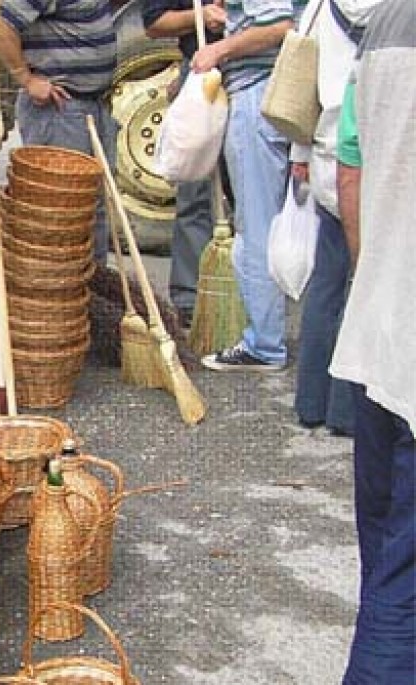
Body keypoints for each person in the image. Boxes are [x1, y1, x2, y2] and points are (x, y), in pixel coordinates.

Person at [331, 0, 415, 679]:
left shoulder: (384, 22)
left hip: (378, 333)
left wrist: (375, 278)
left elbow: (349, 174)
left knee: (387, 572)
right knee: (403, 587)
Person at [290, 0, 382, 436]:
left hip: (327, 152)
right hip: (374, 157)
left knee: (327, 284)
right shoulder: (397, 11)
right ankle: (350, 410)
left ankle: (312, 401)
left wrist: (300, 152)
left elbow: (298, 77)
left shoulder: (322, 7)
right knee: (365, 289)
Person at [195, 0, 299, 371]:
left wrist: (218, 49)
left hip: (259, 94)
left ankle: (265, 344)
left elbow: (278, 26)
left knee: (257, 224)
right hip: (286, 93)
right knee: (298, 222)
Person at [0, 0, 118, 264]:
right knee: (61, 211)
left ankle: (91, 292)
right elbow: (2, 25)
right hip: (59, 110)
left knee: (91, 206)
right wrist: (26, 79)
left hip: (93, 104)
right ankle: (63, 295)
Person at [142, 0, 226, 326]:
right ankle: (190, 301)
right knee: (195, 193)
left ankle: (250, 296)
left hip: (252, 75)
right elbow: (154, 23)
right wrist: (199, 17)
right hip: (202, 76)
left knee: (251, 199)